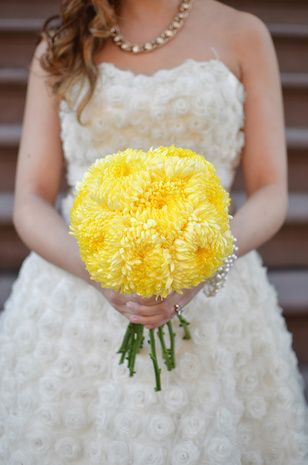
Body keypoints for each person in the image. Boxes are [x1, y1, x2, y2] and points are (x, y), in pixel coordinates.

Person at [0, 0, 307, 463]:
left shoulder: (245, 33)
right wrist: (100, 272)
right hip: (75, 294)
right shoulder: (64, 43)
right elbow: (30, 200)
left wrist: (204, 263)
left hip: (214, 291)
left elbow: (271, 191)